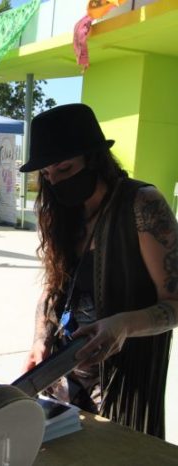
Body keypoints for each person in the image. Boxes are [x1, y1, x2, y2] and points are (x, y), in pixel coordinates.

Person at [19, 103, 178, 439]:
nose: (55, 181)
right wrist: (40, 339)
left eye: (64, 168)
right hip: (63, 377)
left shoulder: (142, 204)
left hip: (124, 384)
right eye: (46, 174)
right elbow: (53, 286)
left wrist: (123, 325)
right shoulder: (59, 212)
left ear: (94, 158)